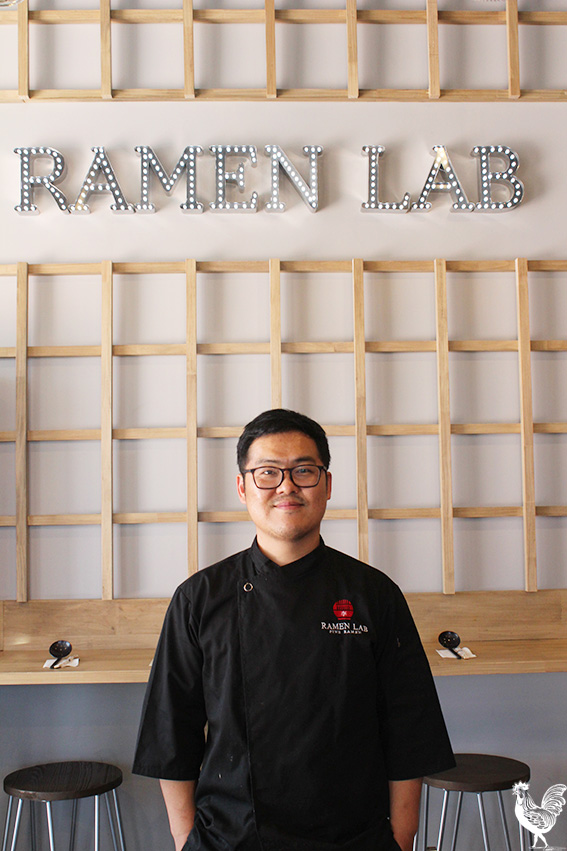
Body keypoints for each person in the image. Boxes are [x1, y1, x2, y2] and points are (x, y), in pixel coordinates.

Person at [133, 409, 455, 851]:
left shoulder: (374, 594)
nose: (286, 486)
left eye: (304, 471)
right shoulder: (199, 599)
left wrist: (401, 837)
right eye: (268, 473)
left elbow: (409, 728)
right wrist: (185, 837)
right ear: (243, 487)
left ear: (327, 484)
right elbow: (173, 732)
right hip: (233, 838)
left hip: (354, 838)